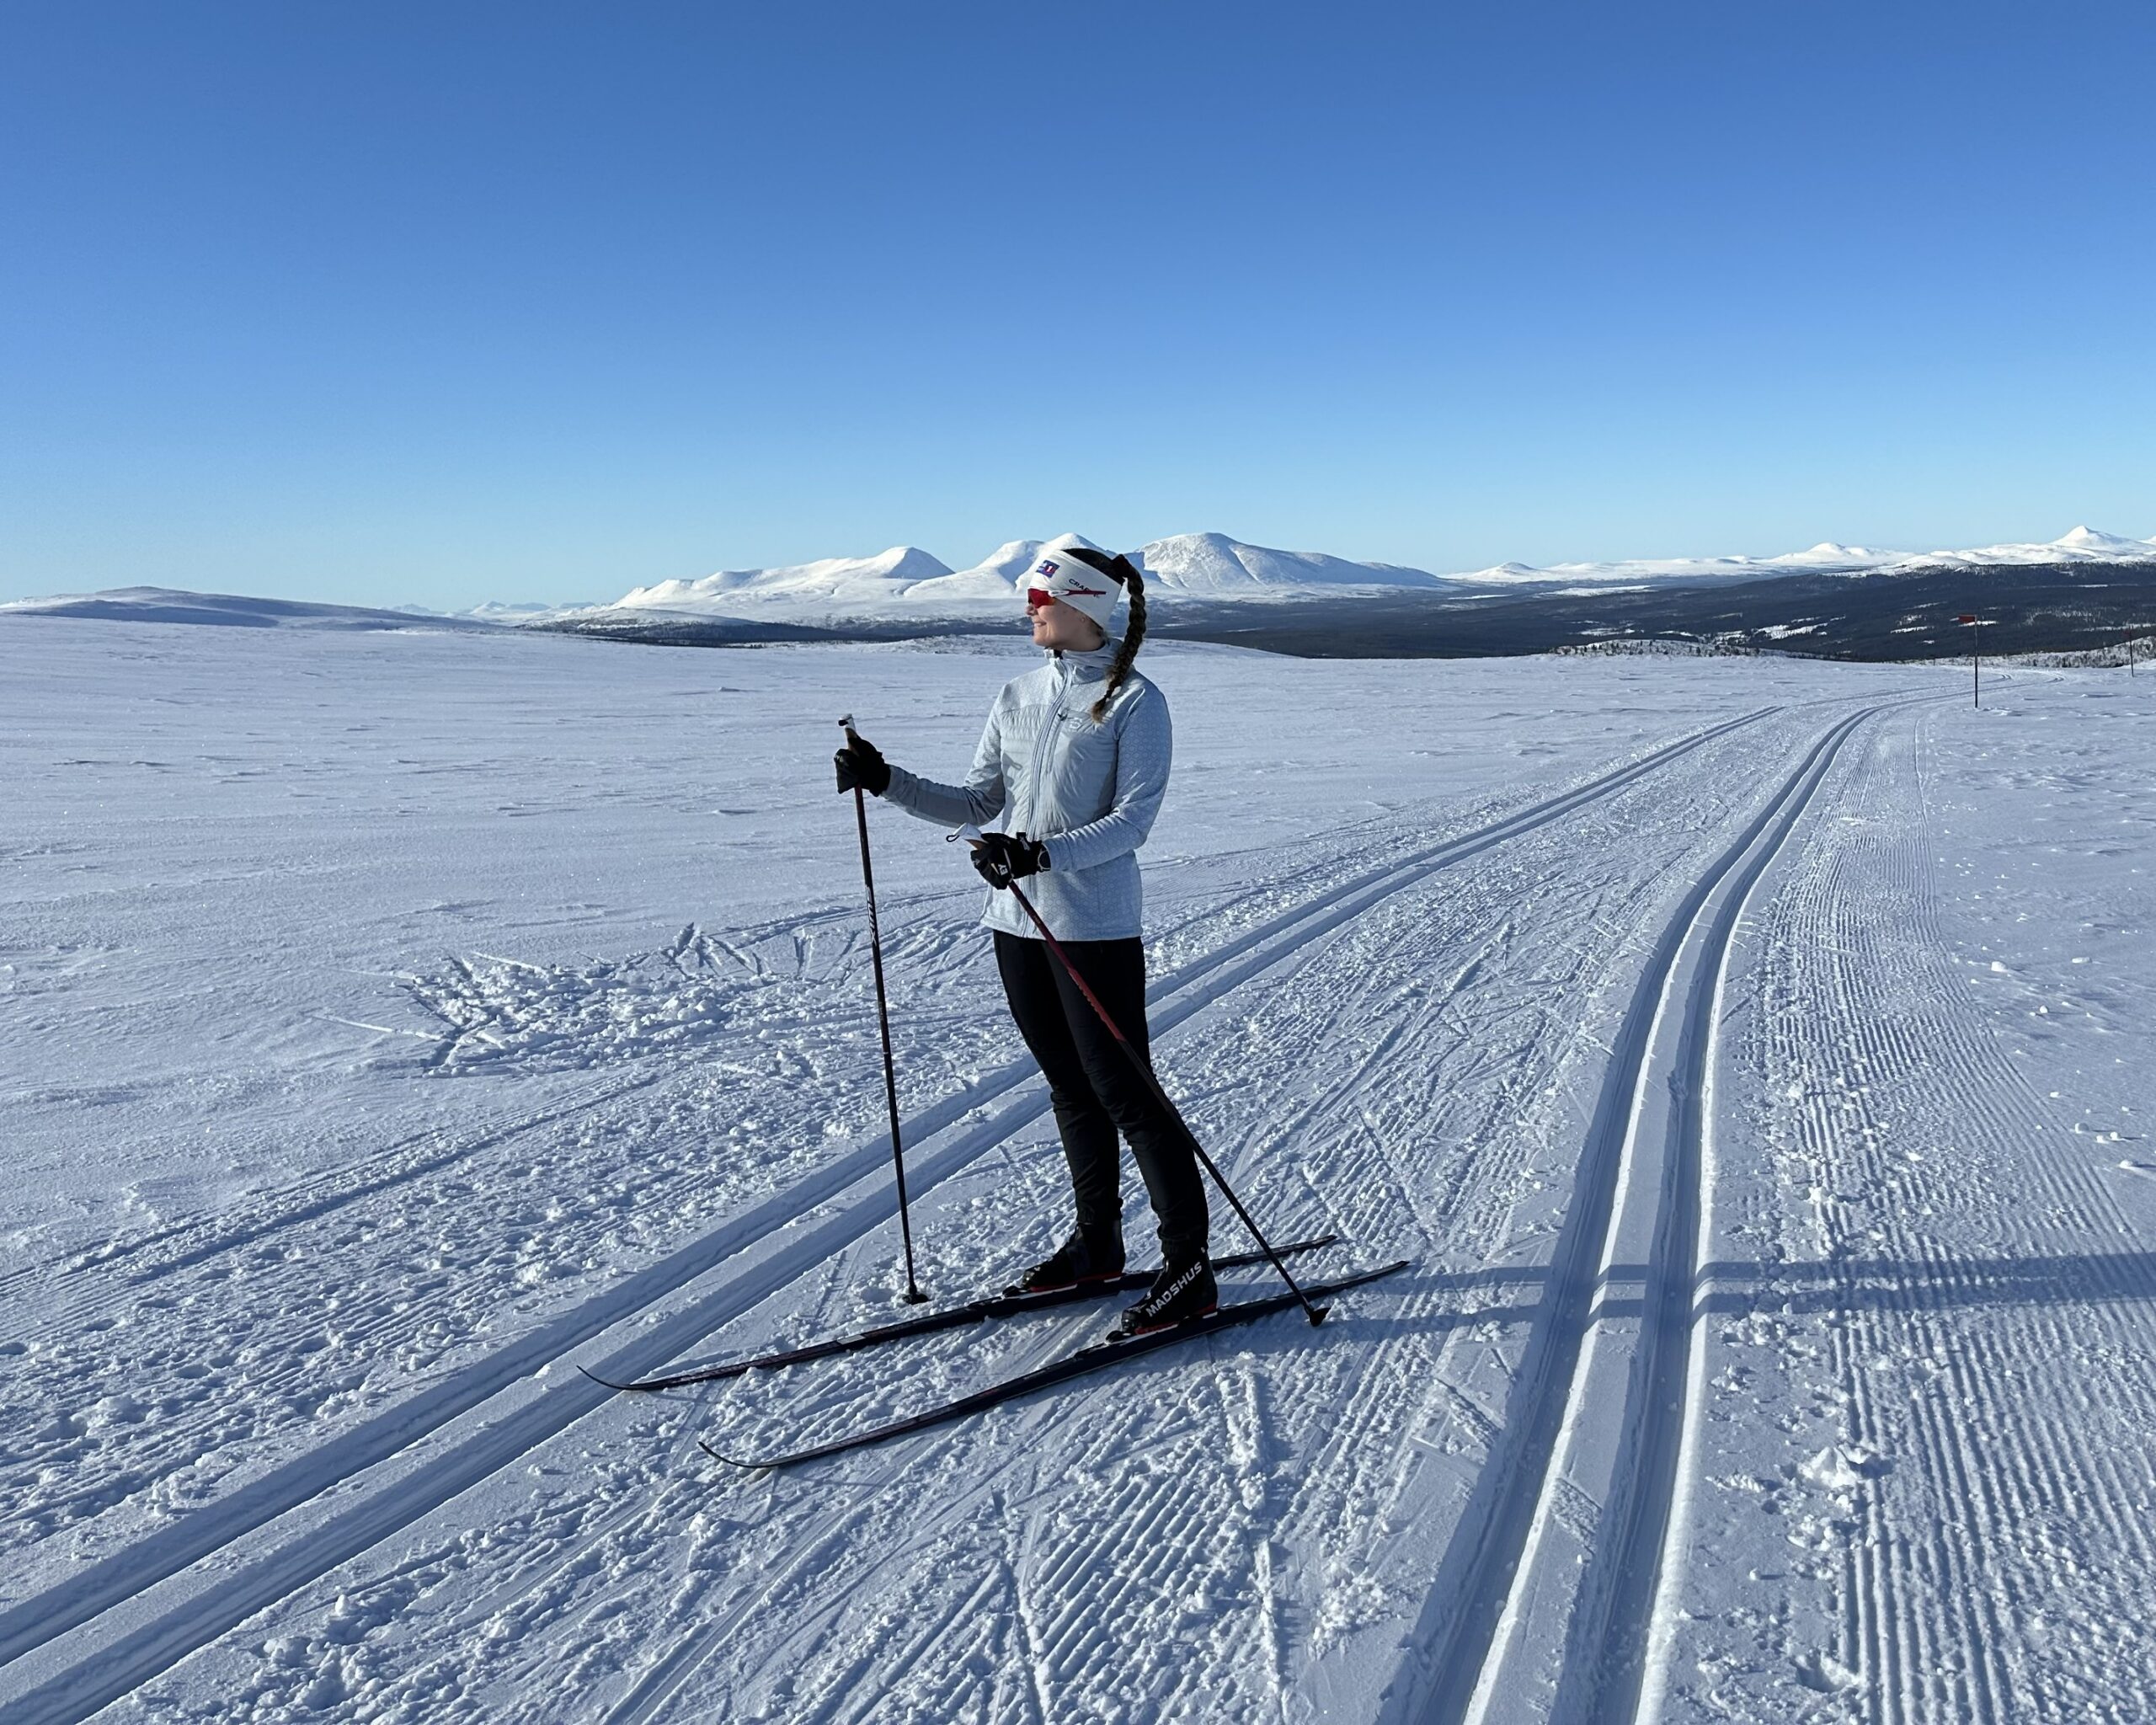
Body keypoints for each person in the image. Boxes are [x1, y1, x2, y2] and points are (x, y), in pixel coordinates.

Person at [833, 545, 1214, 1332]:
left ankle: (1189, 1268)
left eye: (1042, 597)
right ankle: (1098, 1244)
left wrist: (1039, 854)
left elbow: (1132, 823)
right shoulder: (1016, 694)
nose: (1030, 609)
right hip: (1017, 924)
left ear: (1085, 605)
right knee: (1070, 1088)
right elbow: (979, 802)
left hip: (1094, 927)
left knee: (1127, 1095)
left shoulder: (1135, 702)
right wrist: (886, 780)